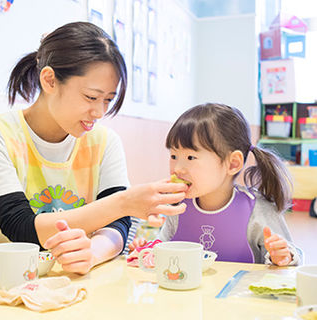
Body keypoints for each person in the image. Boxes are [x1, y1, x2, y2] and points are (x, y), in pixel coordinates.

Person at [0, 21, 187, 275]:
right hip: (12, 285)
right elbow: (22, 229)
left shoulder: (105, 142)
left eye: (108, 100)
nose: (100, 112)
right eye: (91, 97)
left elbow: (117, 226)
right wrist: (124, 202)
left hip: (83, 283)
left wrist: (92, 253)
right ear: (49, 80)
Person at [129, 103, 303, 266]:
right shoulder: (178, 206)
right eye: (174, 156)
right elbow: (164, 246)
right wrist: (148, 250)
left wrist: (282, 256)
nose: (178, 169)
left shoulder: (257, 208)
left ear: (233, 163)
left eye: (190, 157)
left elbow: (290, 257)